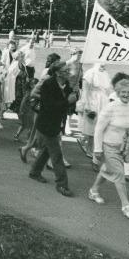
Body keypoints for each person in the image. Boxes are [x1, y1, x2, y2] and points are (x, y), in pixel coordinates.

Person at [88, 73, 129, 219]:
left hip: (123, 147)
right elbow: (98, 129)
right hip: (109, 146)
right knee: (119, 174)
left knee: (107, 169)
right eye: (123, 92)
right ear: (117, 93)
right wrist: (97, 150)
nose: (126, 95)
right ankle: (126, 206)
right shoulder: (110, 107)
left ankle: (93, 191)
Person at [27, 60, 76, 197]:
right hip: (47, 124)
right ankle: (62, 184)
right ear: (57, 73)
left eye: (68, 70)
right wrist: (68, 101)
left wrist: (75, 97)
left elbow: (67, 105)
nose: (68, 73)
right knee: (57, 155)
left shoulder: (67, 85)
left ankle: (35, 172)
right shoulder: (48, 85)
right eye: (65, 71)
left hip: (57, 123)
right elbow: (49, 106)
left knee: (47, 151)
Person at [78, 62, 113, 169]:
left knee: (100, 126)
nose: (103, 66)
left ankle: (89, 145)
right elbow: (85, 90)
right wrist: (86, 104)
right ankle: (88, 144)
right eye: (101, 63)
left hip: (103, 101)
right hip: (93, 100)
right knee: (92, 125)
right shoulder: (90, 73)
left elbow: (107, 89)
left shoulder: (105, 74)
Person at [14, 69, 37, 143]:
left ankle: (17, 135)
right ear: (31, 85)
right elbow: (23, 102)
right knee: (30, 126)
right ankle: (28, 140)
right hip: (28, 112)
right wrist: (21, 111)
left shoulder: (31, 92)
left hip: (29, 112)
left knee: (24, 125)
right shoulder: (29, 93)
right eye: (35, 84)